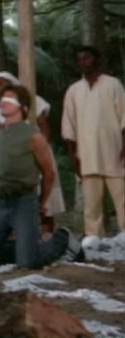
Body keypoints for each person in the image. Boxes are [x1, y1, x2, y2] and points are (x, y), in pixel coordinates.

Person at [0, 84, 83, 267]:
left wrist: (41, 202)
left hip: (24, 201)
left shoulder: (34, 136)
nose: (4, 102)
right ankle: (26, 248)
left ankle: (63, 240)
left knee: (28, 263)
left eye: (10, 99)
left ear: (22, 106)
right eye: (2, 98)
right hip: (0, 204)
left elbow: (48, 173)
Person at [61, 46, 125, 247]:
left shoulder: (113, 84)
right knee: (91, 202)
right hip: (86, 154)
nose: (83, 62)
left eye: (87, 58)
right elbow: (69, 126)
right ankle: (93, 237)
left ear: (96, 60)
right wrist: (73, 156)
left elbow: (124, 117)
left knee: (122, 196)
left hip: (115, 151)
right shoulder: (74, 90)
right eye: (79, 59)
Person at [0, 71, 66, 235]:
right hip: (15, 158)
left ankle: (48, 237)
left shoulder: (33, 100)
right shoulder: (2, 108)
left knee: (46, 204)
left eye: (1, 83)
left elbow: (44, 126)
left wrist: (39, 149)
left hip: (36, 151)